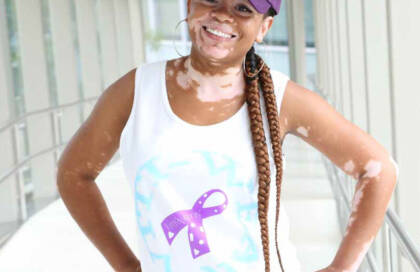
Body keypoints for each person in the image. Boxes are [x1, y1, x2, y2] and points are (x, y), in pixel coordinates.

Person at [56, 0, 398, 271]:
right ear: (190, 5)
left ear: (264, 27)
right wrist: (127, 265)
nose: (222, 15)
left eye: (243, 8)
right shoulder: (135, 91)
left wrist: (341, 267)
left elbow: (378, 169)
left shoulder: (281, 99)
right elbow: (74, 175)